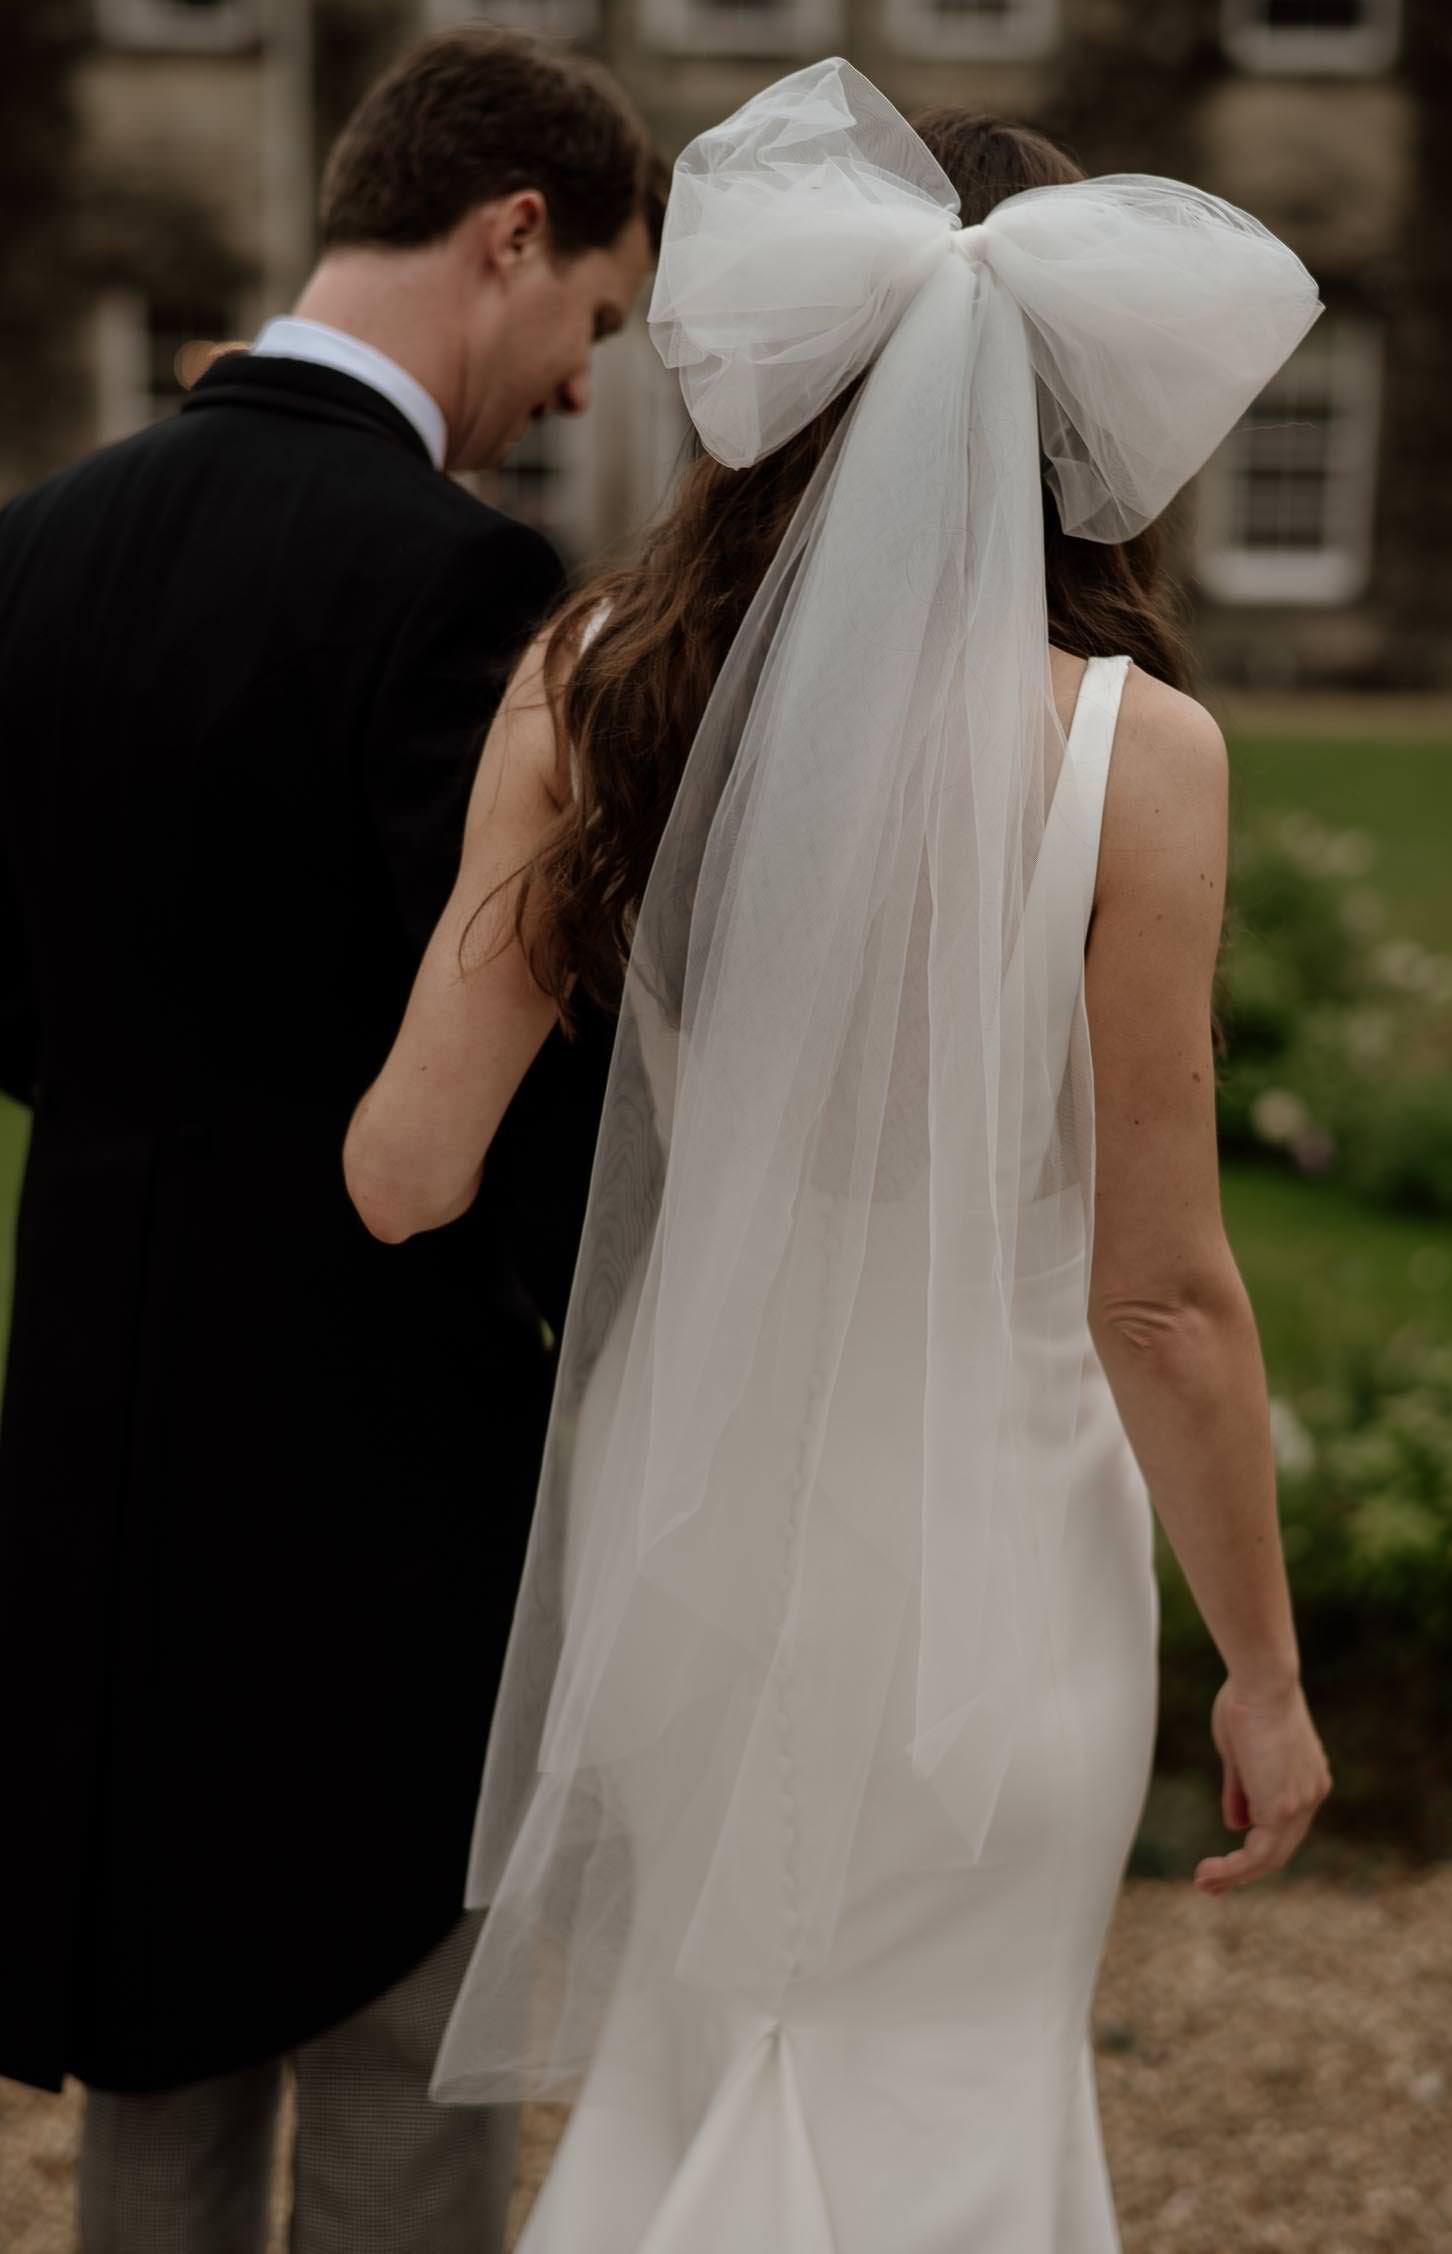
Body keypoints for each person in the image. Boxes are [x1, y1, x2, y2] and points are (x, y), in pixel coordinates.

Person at [346, 60, 1334, 2253]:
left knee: (717, 2053)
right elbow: (1159, 1291)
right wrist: (1263, 1669)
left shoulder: (589, 678)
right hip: (993, 1549)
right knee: (952, 2084)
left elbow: (410, 1164)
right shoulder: (1133, 753)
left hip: (695, 1522)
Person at [0, 26, 657, 2254]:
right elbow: (517, 1066)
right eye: (593, 321)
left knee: (156, 2082)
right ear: (509, 235)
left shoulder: (39, 548)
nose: (582, 387)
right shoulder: (451, 586)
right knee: (395, 2075)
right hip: (375, 1456)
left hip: (90, 1419)